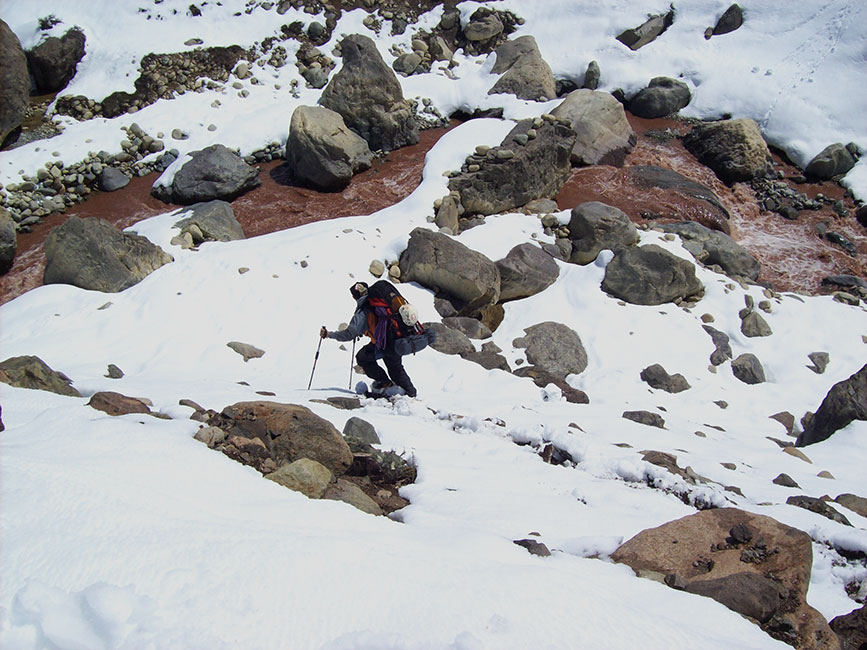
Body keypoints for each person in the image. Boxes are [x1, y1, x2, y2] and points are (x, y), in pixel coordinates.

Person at [320, 281, 417, 398]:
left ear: (355, 296)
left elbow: (349, 333)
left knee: (365, 358)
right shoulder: (381, 302)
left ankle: (394, 386)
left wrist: (329, 334)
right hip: (395, 337)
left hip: (386, 342)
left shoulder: (365, 310)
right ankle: (407, 392)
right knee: (395, 367)